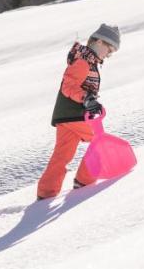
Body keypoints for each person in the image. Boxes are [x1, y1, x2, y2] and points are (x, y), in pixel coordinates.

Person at [37, 24, 121, 200]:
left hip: (65, 115)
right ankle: (84, 182)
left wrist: (91, 101)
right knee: (99, 141)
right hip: (74, 114)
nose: (109, 54)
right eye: (109, 49)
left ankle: (46, 193)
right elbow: (69, 86)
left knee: (62, 155)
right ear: (98, 41)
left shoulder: (87, 60)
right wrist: (87, 99)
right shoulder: (83, 61)